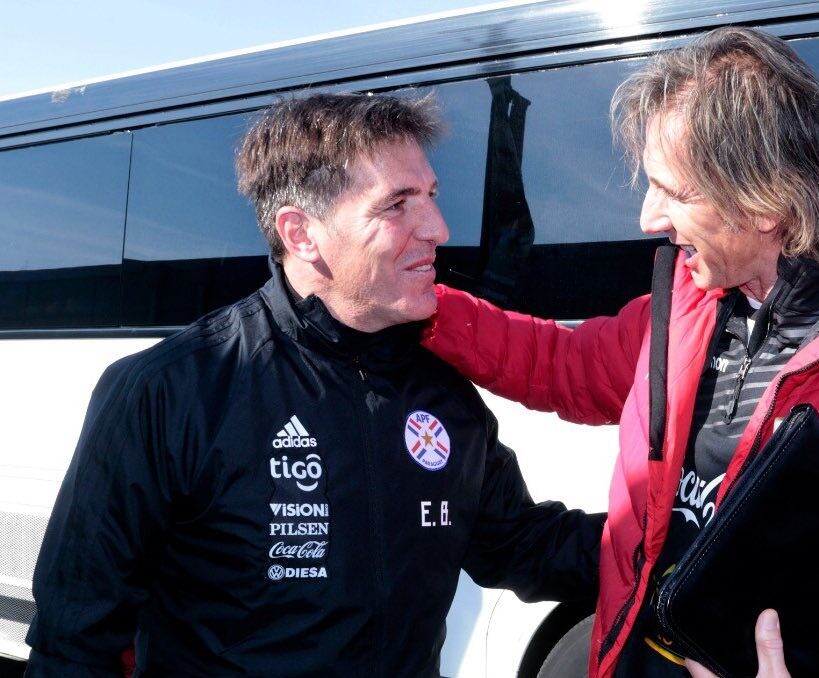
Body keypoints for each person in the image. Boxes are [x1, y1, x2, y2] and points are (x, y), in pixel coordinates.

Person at [422, 26, 819, 676]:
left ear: (764, 203)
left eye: (675, 192)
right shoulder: (693, 304)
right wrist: (420, 306)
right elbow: (561, 366)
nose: (648, 218)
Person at [25, 93, 604, 677]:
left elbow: (519, 544)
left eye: (431, 196)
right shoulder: (170, 392)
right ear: (301, 234)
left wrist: (656, 542)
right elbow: (75, 644)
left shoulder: (442, 390)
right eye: (396, 205)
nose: (438, 228)